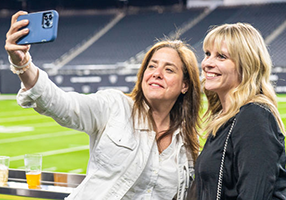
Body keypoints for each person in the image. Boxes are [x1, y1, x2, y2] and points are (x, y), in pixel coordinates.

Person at [5, 11, 202, 200]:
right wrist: (23, 65)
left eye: (169, 69)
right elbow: (62, 104)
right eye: (152, 66)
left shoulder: (187, 145)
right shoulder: (115, 106)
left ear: (185, 85)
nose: (157, 73)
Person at [190, 23, 286, 200]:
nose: (207, 63)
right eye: (207, 54)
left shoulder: (254, 116)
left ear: (246, 65)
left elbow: (254, 194)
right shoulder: (226, 117)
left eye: (221, 56)